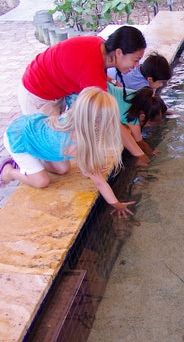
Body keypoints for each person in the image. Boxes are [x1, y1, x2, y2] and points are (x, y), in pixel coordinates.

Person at [18, 25, 150, 165]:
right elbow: (110, 120)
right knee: (58, 163)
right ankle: (17, 161)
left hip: (56, 91)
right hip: (37, 94)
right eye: (135, 60)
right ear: (118, 52)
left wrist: (110, 80)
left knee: (64, 151)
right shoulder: (92, 69)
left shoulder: (99, 46)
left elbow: (79, 67)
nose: (137, 66)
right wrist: (139, 154)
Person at [1, 87, 135, 218]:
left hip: (37, 133)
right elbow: (99, 182)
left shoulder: (75, 120)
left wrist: (89, 168)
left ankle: (35, 161)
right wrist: (116, 204)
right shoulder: (76, 143)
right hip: (19, 138)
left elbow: (86, 165)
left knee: (63, 169)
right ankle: (10, 172)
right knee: (41, 181)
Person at [107, 51, 172, 93]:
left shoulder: (139, 66)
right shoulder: (142, 87)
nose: (161, 85)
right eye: (160, 82)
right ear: (150, 79)